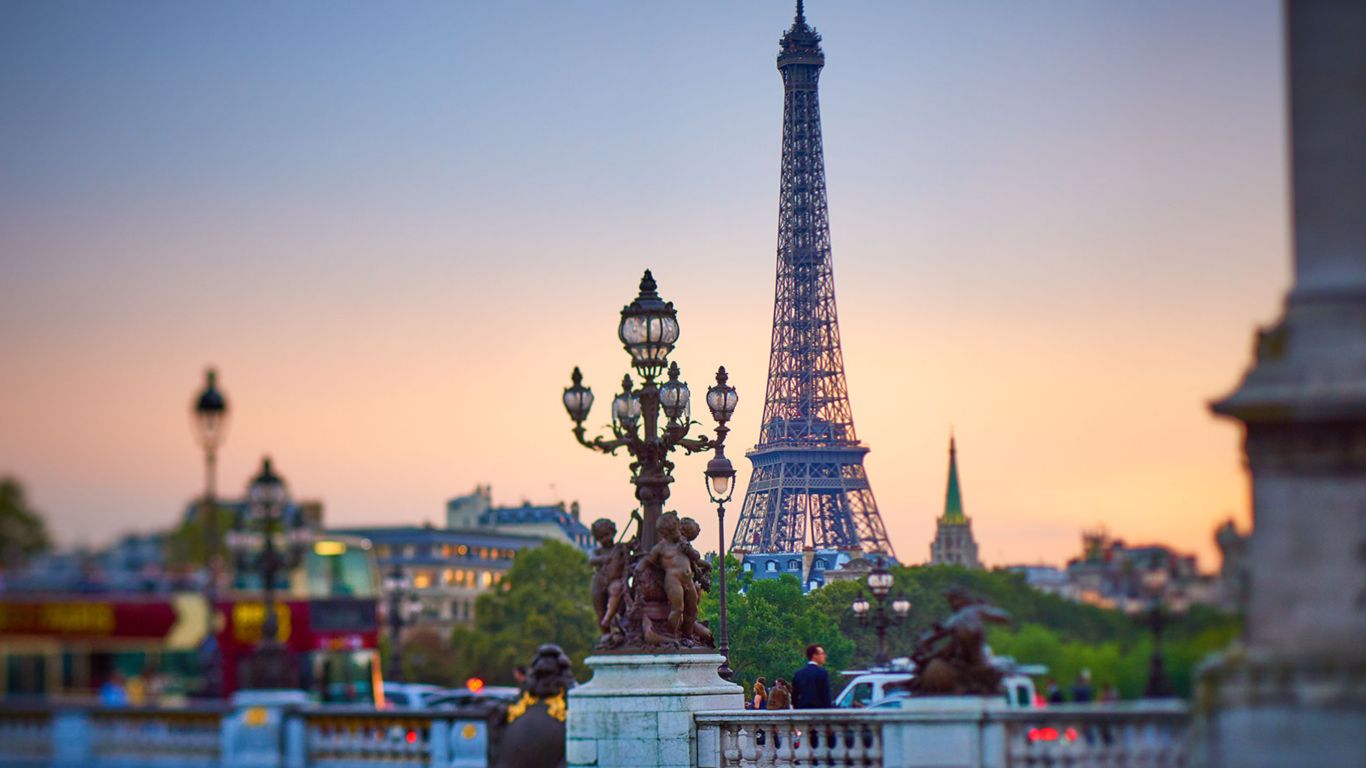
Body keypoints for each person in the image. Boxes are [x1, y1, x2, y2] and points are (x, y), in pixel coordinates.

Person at [791, 643, 832, 709]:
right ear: (814, 655)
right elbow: (826, 696)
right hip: (818, 712)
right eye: (822, 654)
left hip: (801, 712)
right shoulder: (822, 673)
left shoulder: (798, 673)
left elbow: (794, 697)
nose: (824, 656)